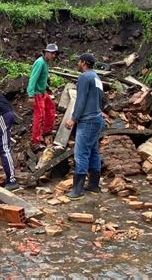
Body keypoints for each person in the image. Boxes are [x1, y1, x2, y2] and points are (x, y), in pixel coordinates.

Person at [65, 53, 104, 200]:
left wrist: (73, 118)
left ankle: (77, 190)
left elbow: (80, 100)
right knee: (93, 151)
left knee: (81, 153)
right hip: (96, 119)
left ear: (84, 63)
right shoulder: (96, 77)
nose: (78, 64)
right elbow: (101, 99)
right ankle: (94, 185)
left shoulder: (84, 77)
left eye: (79, 61)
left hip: (87, 120)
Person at [27, 43, 58, 150]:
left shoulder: (46, 62)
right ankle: (35, 140)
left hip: (43, 91)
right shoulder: (40, 63)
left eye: (55, 53)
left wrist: (47, 88)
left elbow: (42, 78)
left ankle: (46, 130)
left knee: (51, 108)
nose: (54, 56)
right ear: (46, 52)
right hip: (36, 93)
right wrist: (31, 95)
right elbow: (33, 79)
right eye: (52, 53)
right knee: (39, 115)